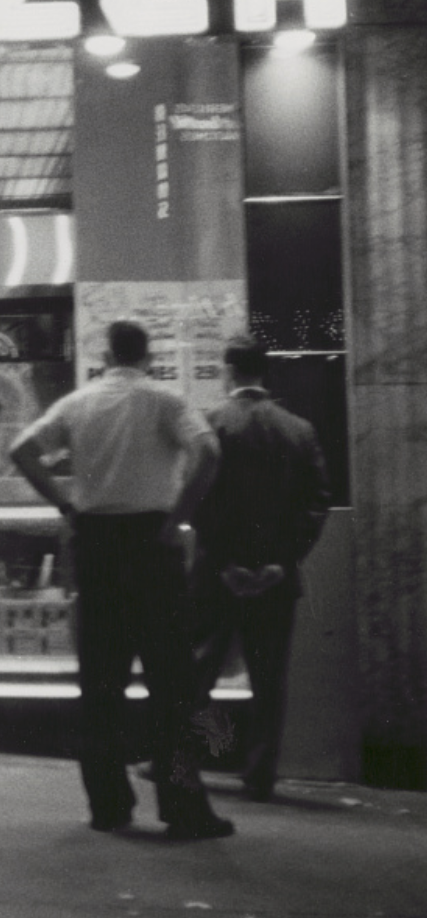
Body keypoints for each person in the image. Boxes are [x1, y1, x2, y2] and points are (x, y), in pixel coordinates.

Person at [10, 320, 234, 840]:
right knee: (172, 683)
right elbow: (209, 453)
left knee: (100, 682)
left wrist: (66, 504)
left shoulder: (78, 403)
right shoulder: (165, 400)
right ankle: (183, 808)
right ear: (148, 356)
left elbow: (22, 450)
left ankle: (109, 806)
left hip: (96, 545)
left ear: (107, 357)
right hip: (152, 545)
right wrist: (180, 516)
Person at [190, 334, 331, 801]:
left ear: (229, 370)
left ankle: (183, 759)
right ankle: (259, 774)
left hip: (216, 575)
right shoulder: (299, 430)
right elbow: (317, 502)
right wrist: (281, 561)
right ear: (263, 371)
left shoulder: (211, 424)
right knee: (268, 679)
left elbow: (197, 497)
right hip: (274, 578)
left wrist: (225, 562)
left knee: (197, 671)